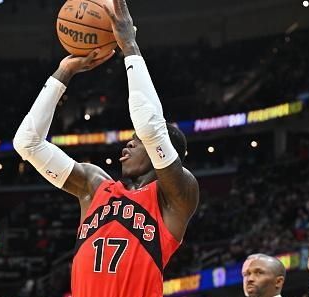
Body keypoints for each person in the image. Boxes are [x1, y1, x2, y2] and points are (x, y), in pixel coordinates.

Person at [13, 0, 199, 295]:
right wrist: (64, 71)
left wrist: (130, 47)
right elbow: (27, 143)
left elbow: (151, 128)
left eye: (136, 142)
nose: (129, 143)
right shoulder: (94, 186)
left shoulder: (176, 198)